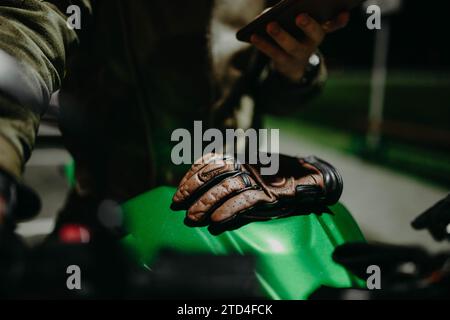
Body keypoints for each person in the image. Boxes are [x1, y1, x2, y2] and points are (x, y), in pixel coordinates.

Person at [0, 0, 349, 233]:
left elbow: (270, 97)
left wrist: (297, 68)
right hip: (112, 215)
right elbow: (29, 26)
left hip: (240, 210)